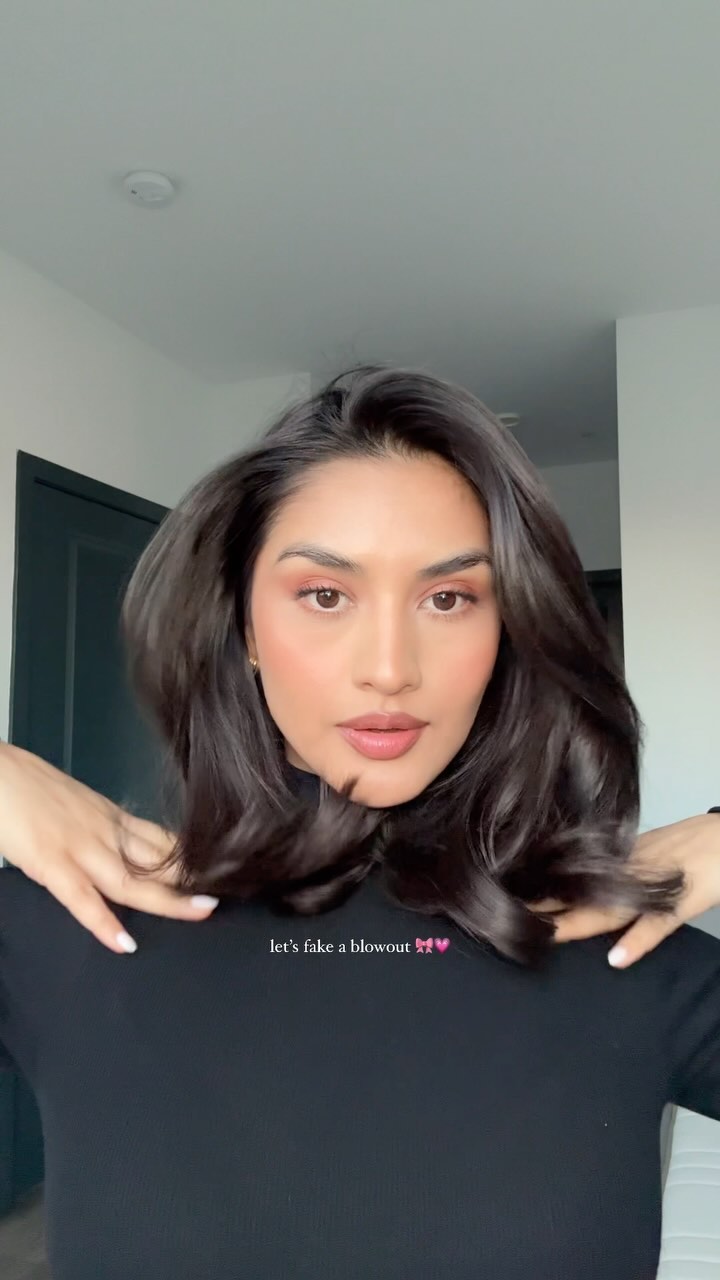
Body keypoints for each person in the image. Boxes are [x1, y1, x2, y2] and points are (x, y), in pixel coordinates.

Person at [0, 364, 718, 1280]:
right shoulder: (65, 932)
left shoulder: (627, 960)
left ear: (509, 632)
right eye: (325, 595)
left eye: (449, 598)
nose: (389, 667)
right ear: (244, 628)